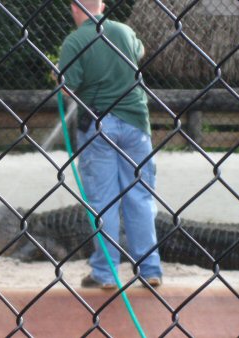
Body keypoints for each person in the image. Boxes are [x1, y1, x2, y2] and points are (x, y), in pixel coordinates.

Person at [57, 0, 162, 289]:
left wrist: (60, 75)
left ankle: (106, 273)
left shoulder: (75, 40)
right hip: (135, 124)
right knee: (140, 197)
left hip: (98, 124)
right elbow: (138, 52)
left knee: (103, 203)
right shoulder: (124, 31)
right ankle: (150, 269)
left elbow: (68, 85)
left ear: (75, 9)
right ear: (101, 6)